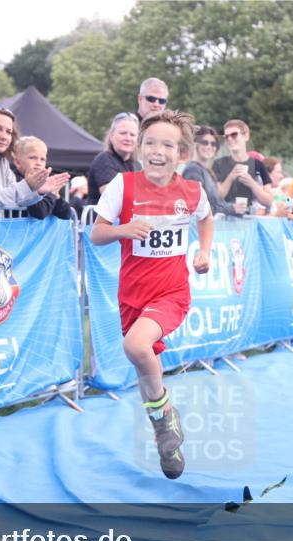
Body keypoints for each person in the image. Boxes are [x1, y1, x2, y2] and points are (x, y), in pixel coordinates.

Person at [89, 110, 213, 480]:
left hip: (172, 292)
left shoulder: (191, 191)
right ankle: (166, 439)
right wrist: (124, 229)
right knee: (145, 371)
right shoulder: (122, 186)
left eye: (168, 145)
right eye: (151, 143)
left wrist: (204, 252)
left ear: (181, 155)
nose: (158, 151)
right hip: (132, 295)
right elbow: (96, 234)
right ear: (141, 149)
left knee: (136, 347)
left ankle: (164, 420)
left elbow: (206, 219)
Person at [212, 119, 273, 213]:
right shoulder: (218, 164)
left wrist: (252, 183)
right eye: (226, 136)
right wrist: (231, 177)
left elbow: (269, 201)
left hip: (250, 221)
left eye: (234, 135)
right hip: (225, 220)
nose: (230, 139)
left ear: (246, 135)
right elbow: (216, 198)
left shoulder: (259, 165)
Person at [181, 126, 238, 217]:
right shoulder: (193, 171)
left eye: (213, 144)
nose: (209, 146)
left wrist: (235, 207)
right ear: (195, 144)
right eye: (204, 142)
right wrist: (231, 209)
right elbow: (197, 207)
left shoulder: (207, 171)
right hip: (197, 228)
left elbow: (216, 202)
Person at [11, 136, 72, 220]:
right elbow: (40, 212)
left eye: (42, 159)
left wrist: (56, 197)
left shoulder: (44, 182)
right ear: (18, 162)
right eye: (32, 158)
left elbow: (67, 214)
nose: (38, 163)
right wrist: (52, 194)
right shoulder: (14, 180)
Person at [86, 112, 140, 206]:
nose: (128, 138)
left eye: (132, 135)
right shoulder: (104, 160)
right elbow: (112, 197)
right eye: (123, 133)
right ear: (111, 136)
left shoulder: (136, 165)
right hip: (105, 220)